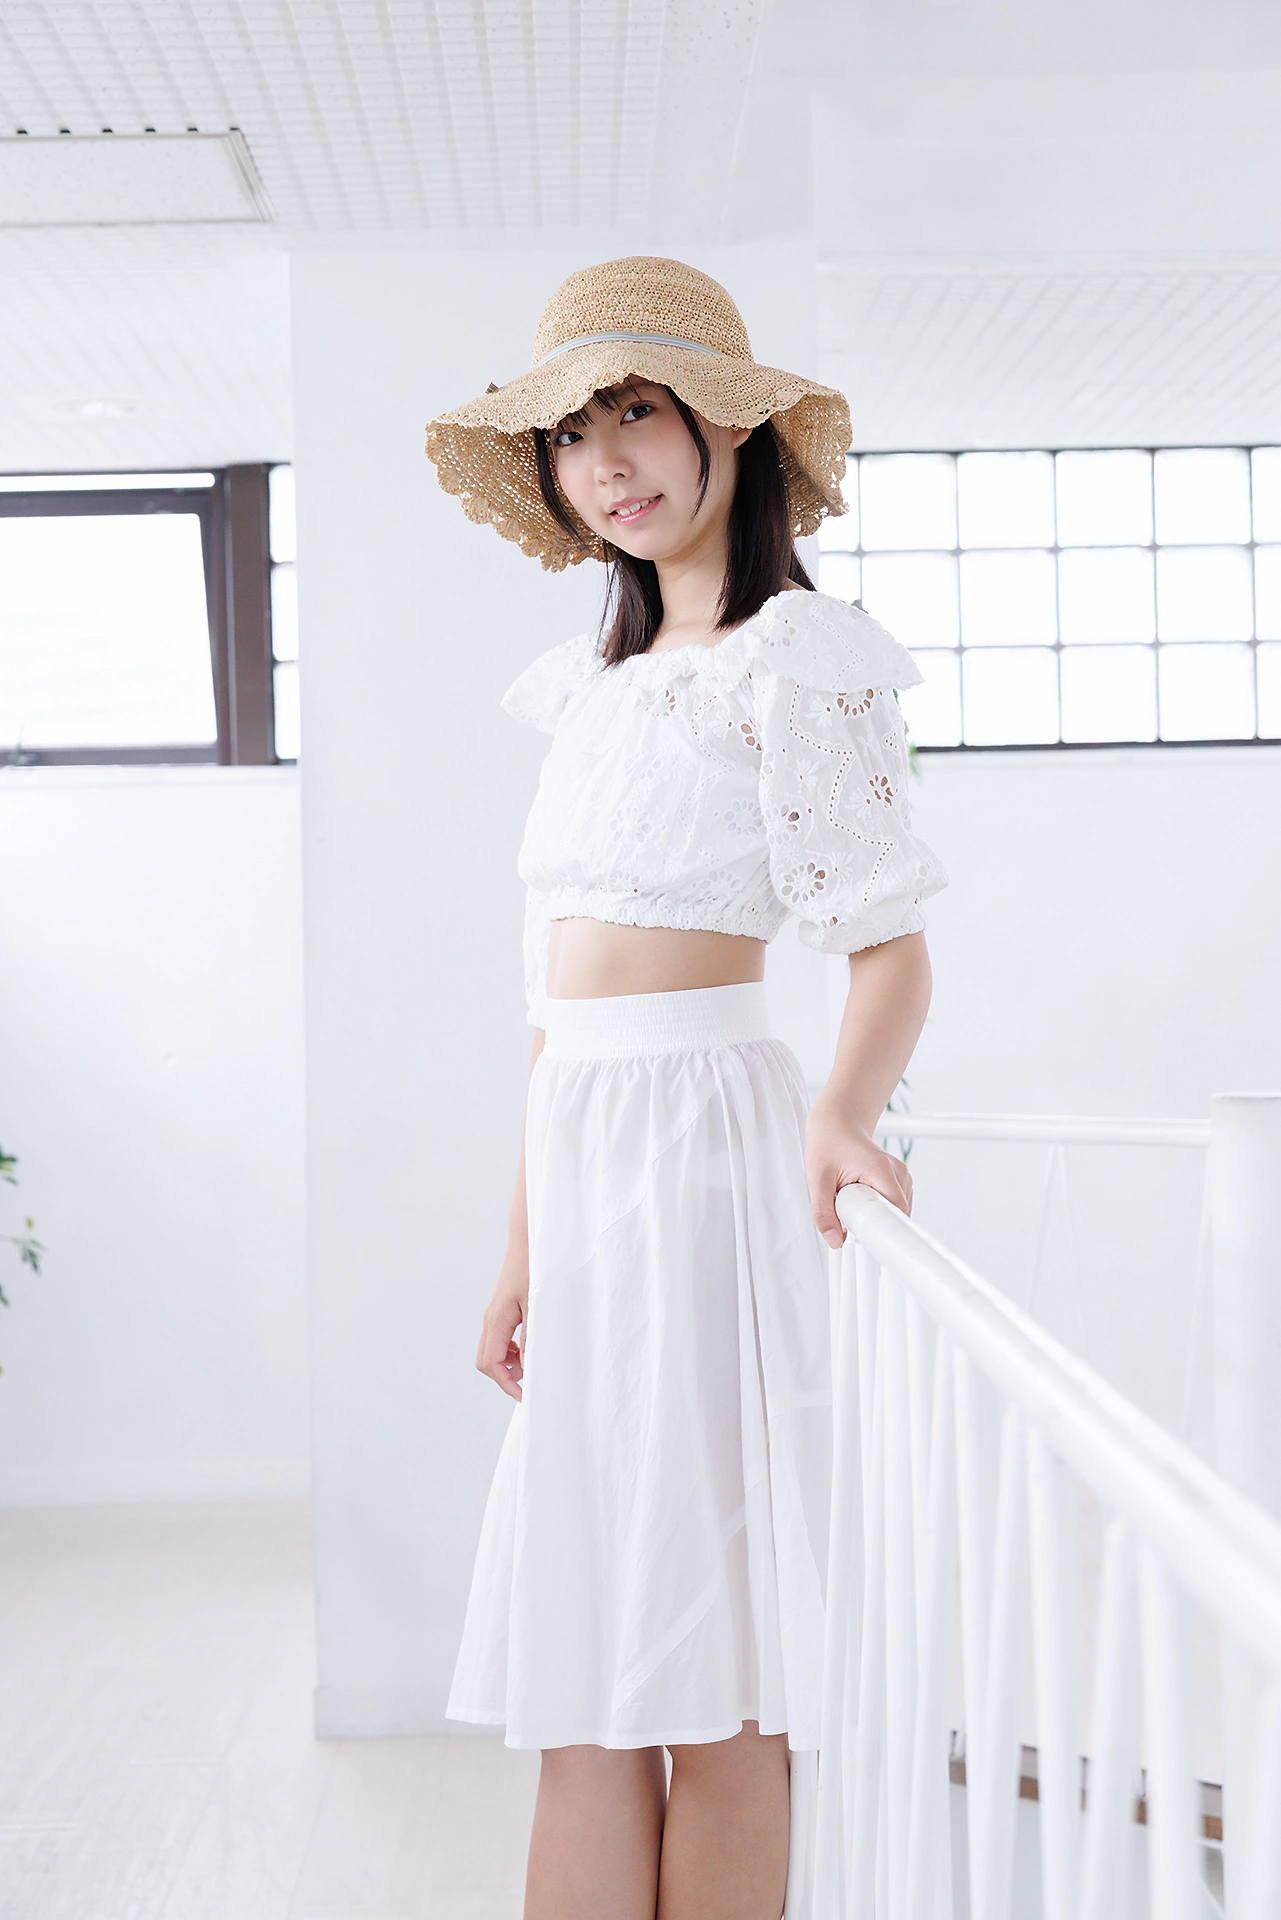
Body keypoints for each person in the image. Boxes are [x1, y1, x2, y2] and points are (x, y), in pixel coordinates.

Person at [425, 255, 946, 1920]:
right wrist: (520, 1253)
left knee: (719, 1678)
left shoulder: (796, 657)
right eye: (573, 436)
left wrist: (840, 1114)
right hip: (585, 1165)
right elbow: (549, 1019)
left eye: (637, 415)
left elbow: (889, 950)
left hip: (708, 1158)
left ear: (727, 426)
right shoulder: (592, 690)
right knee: (585, 1686)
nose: (607, 463)